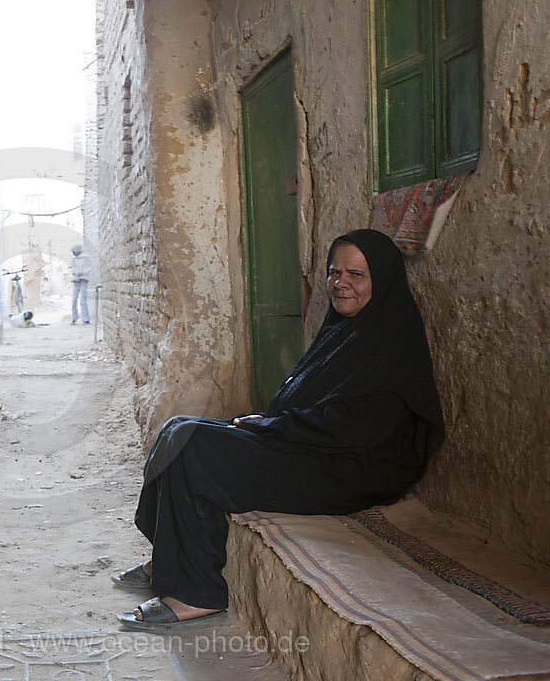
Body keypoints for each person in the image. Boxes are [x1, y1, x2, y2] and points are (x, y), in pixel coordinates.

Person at [114, 229, 444, 632]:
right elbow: (319, 406)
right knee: (178, 428)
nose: (341, 283)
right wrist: (273, 426)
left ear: (383, 280)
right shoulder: (346, 328)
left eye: (356, 274)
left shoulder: (392, 341)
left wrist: (276, 427)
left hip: (352, 469)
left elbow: (356, 430)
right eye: (334, 272)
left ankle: (196, 594)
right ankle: (166, 557)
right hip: (317, 445)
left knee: (197, 449)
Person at [70, 244, 93, 324]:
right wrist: (74, 272)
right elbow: (73, 267)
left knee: (83, 299)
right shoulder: (74, 259)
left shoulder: (86, 257)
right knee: (74, 299)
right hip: (76, 279)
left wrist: (83, 272)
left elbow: (90, 267)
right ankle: (74, 317)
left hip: (83, 279)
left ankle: (85, 318)